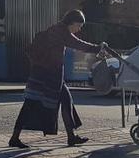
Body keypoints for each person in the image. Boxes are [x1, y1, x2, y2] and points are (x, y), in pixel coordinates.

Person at [8, 9, 107, 149]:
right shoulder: (61, 32)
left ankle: (71, 137)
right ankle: (14, 138)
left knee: (65, 101)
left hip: (49, 76)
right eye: (78, 26)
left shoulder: (57, 29)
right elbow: (78, 44)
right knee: (29, 105)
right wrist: (97, 48)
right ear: (71, 22)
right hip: (45, 76)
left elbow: (76, 43)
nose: (78, 29)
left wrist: (97, 48)